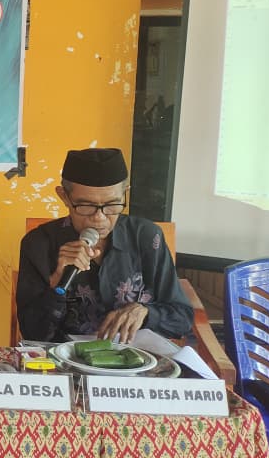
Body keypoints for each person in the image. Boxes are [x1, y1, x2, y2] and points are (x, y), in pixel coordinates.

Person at [16, 147, 193, 343]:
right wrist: (57, 283)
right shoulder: (39, 244)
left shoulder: (146, 237)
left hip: (135, 356)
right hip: (64, 357)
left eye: (112, 205)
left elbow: (182, 318)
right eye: (86, 206)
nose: (99, 218)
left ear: (125, 194)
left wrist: (145, 313)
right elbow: (33, 335)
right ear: (64, 196)